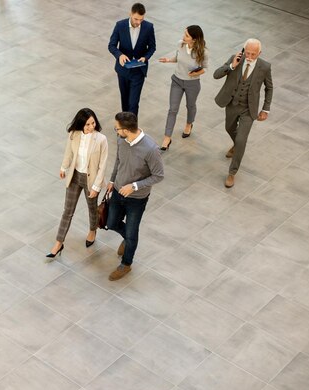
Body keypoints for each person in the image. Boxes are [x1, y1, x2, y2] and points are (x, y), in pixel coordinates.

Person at [106, 112, 164, 280]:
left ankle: (126, 264)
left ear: (126, 129)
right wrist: (112, 180)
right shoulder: (121, 140)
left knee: (132, 233)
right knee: (111, 223)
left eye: (117, 129)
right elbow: (118, 161)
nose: (116, 132)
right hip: (117, 191)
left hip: (137, 199)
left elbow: (158, 175)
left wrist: (134, 186)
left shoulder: (151, 149)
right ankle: (127, 239)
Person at [47, 108, 109, 258]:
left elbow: (103, 165)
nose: (91, 126)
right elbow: (69, 153)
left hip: (91, 180)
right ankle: (58, 243)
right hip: (75, 177)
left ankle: (92, 230)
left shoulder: (101, 139)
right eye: (87, 124)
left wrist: (96, 186)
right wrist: (63, 167)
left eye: (93, 123)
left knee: (92, 208)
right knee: (67, 211)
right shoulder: (73, 135)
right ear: (81, 124)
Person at [214, 38, 273, 188]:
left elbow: (269, 88)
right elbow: (216, 74)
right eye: (248, 53)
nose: (250, 57)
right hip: (232, 104)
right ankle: (236, 145)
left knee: (241, 139)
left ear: (259, 53)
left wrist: (265, 109)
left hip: (249, 109)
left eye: (254, 54)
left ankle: (232, 173)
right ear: (243, 49)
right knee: (229, 128)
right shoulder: (235, 60)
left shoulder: (265, 67)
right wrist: (232, 66)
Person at [158, 25, 208, 150]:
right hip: (177, 81)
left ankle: (189, 124)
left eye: (186, 35)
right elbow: (178, 57)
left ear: (194, 39)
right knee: (172, 109)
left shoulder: (203, 52)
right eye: (184, 33)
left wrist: (196, 73)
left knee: (190, 106)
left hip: (192, 84)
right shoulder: (180, 44)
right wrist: (169, 60)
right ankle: (167, 138)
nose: (183, 36)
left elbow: (205, 68)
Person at [108, 3, 156, 117]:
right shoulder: (120, 25)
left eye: (141, 19)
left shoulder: (148, 27)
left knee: (133, 103)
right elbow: (112, 45)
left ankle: (132, 131)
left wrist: (145, 57)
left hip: (138, 71)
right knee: (125, 101)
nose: (138, 22)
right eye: (136, 19)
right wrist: (119, 55)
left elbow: (152, 47)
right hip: (123, 69)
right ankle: (125, 127)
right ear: (130, 14)